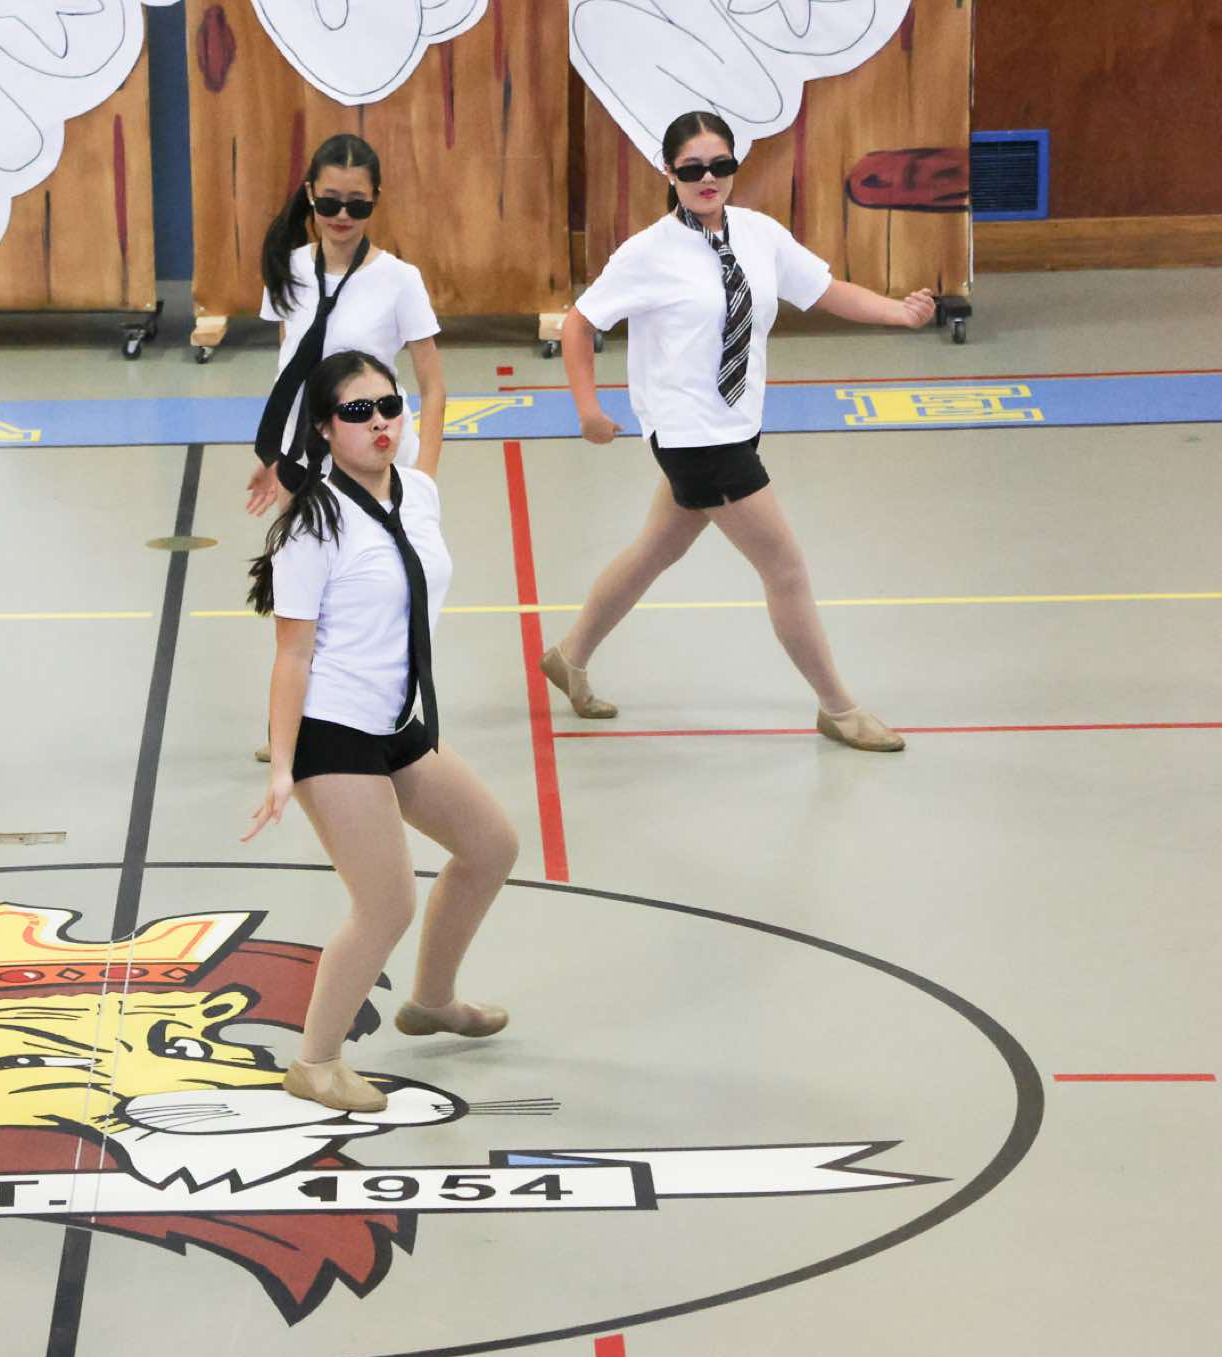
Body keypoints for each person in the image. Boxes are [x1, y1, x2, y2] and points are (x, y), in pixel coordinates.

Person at [544, 110, 936, 753]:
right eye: (692, 169)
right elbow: (580, 324)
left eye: (721, 165)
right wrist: (587, 407)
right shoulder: (646, 253)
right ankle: (838, 708)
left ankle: (569, 655)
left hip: (737, 424)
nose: (708, 179)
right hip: (693, 439)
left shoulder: (758, 234)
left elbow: (824, 289)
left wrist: (898, 313)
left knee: (654, 551)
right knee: (786, 568)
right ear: (668, 172)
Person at [243, 351, 519, 1114]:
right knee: (386, 903)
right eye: (358, 412)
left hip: (398, 718)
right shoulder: (312, 525)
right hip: (335, 730)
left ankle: (432, 1000)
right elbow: (292, 655)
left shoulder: (419, 492)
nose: (380, 423)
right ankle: (315, 1061)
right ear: (325, 430)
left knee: (490, 846)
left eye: (389, 406)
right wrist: (283, 766)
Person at [248, 132, 447, 763]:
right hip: (307, 459)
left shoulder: (399, 280)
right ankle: (293, 723)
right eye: (330, 201)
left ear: (375, 202)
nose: (341, 216)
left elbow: (433, 387)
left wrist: (423, 478)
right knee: (303, 598)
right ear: (310, 194)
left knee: (375, 593)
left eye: (357, 205)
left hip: (375, 464)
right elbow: (289, 371)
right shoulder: (289, 270)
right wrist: (274, 460)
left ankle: (381, 711)